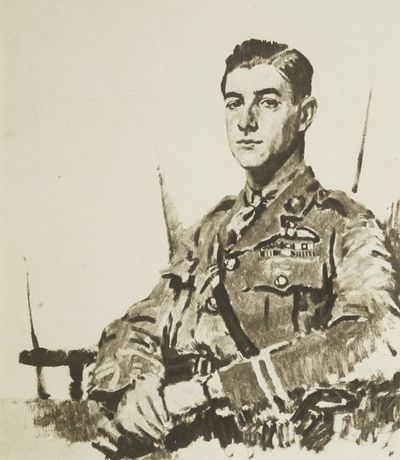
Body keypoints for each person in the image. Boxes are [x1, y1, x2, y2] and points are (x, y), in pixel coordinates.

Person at [88, 39, 400, 457]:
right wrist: (136, 384)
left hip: (278, 444)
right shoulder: (210, 230)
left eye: (267, 102)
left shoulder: (342, 224)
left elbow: (372, 336)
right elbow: (139, 323)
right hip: (182, 443)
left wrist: (212, 390)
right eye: (234, 103)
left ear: (305, 114)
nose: (246, 121)